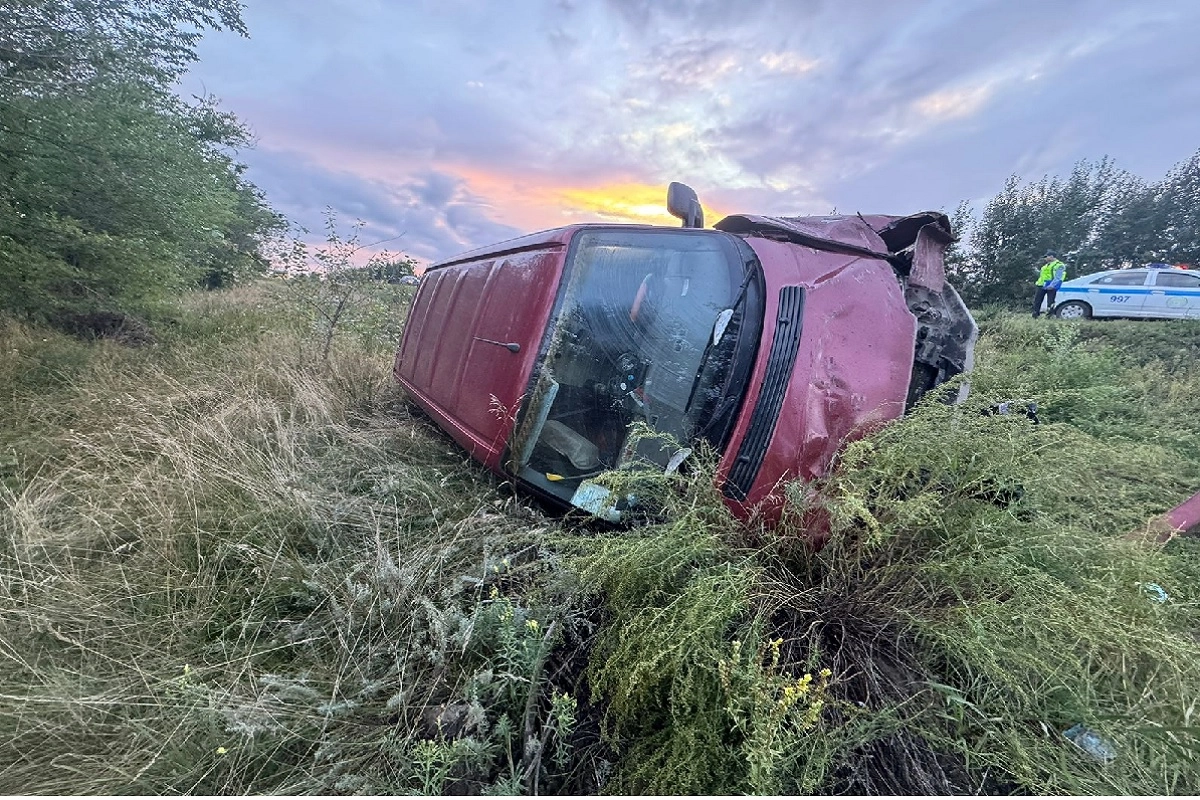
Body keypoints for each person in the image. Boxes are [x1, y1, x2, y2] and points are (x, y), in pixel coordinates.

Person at [1032, 252, 1067, 318]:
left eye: (1046, 257)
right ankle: (1035, 314)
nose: (1045, 258)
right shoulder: (1046, 266)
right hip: (1041, 285)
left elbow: (1058, 277)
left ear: (1051, 256)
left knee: (1050, 301)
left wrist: (1052, 285)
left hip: (1051, 285)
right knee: (1037, 300)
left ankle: (1049, 316)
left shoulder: (1059, 265)